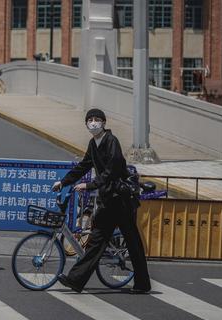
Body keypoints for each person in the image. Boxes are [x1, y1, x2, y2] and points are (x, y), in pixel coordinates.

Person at [52, 108, 151, 294]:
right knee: (96, 241)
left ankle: (143, 283)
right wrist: (64, 182)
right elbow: (83, 166)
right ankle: (76, 280)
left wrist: (89, 186)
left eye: (97, 119)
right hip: (109, 200)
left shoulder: (111, 141)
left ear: (104, 123)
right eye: (90, 120)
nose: (93, 123)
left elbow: (111, 170)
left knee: (132, 242)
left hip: (121, 200)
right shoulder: (93, 143)